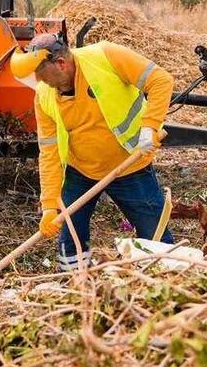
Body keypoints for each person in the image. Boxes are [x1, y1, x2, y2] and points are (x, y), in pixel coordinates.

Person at [10, 33, 173, 270]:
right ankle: (74, 284)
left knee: (154, 232)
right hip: (81, 172)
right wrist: (48, 206)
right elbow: (49, 153)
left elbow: (160, 80)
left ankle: (168, 275)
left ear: (61, 64)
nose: (38, 80)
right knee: (71, 234)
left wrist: (150, 126)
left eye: (41, 73)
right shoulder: (43, 96)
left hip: (130, 166)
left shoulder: (105, 56)